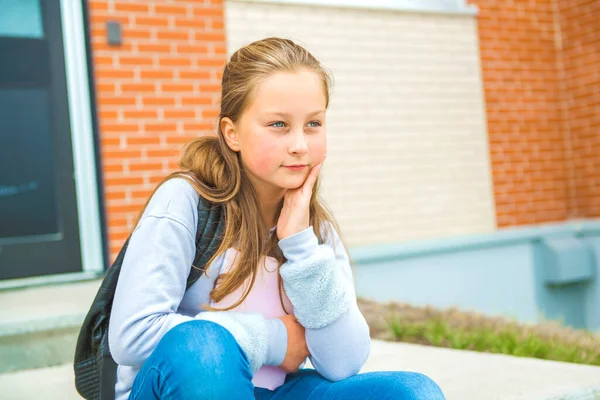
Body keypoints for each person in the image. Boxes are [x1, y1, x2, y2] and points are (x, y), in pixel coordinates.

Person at [108, 37, 446, 400]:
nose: (300, 143)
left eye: (313, 123)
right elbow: (133, 334)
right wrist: (273, 339)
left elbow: (343, 363)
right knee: (203, 346)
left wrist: (300, 245)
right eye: (279, 125)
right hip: (183, 388)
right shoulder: (186, 201)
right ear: (231, 133)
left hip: (277, 392)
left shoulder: (316, 230)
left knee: (412, 392)